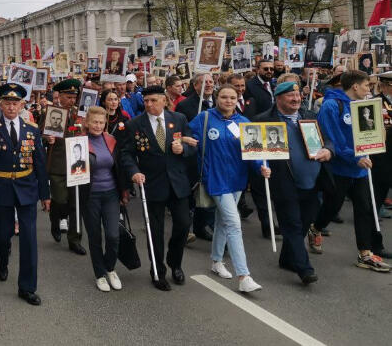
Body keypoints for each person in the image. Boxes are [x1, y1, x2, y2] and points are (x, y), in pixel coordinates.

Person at [189, 85, 269, 293]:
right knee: (234, 224)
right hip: (215, 180)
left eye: (233, 97)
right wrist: (186, 141)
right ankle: (244, 276)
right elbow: (186, 136)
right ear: (217, 98)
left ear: (237, 99)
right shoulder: (204, 118)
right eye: (224, 97)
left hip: (237, 180)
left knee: (222, 221)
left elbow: (254, 152)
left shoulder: (244, 122)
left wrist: (262, 166)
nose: (228, 100)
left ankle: (216, 261)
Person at [0, 83, 50, 306]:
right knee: (2, 235)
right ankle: (3, 260)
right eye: (7, 103)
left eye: (15, 103)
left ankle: (27, 287)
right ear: (1, 104)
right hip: (0, 189)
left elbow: (40, 163)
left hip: (26, 189)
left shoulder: (32, 129)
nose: (11, 107)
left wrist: (45, 195)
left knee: (29, 239)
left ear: (21, 105)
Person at [253, 81, 333, 283]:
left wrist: (328, 151)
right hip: (284, 183)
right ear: (278, 98)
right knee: (293, 225)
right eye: (291, 96)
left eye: (298, 96)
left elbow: (329, 140)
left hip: (312, 181)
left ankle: (287, 259)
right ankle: (305, 269)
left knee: (304, 223)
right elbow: (252, 151)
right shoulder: (263, 120)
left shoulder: (310, 117)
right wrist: (259, 166)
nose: (297, 99)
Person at [312, 70, 391, 272]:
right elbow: (332, 140)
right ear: (355, 86)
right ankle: (316, 228)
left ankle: (365, 253)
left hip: (361, 169)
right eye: (367, 85)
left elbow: (369, 134)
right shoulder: (331, 106)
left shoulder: (365, 105)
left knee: (364, 207)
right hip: (339, 168)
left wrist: (372, 148)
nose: (369, 90)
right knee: (332, 206)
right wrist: (355, 158)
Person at [119, 85, 194, 291]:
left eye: (153, 100)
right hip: (151, 183)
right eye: (146, 101)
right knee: (155, 230)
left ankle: (175, 261)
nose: (149, 104)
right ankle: (157, 270)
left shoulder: (178, 119)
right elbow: (126, 153)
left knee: (183, 223)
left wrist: (183, 149)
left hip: (177, 182)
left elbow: (190, 144)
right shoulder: (135, 124)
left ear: (164, 100)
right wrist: (133, 171)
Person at [81, 107, 128, 291]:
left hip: (110, 194)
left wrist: (124, 192)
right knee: (94, 237)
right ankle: (99, 274)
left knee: (113, 235)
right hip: (90, 195)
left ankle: (110, 268)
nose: (98, 125)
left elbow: (119, 168)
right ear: (87, 122)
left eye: (101, 122)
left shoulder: (111, 141)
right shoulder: (79, 142)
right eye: (94, 122)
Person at [42, 79, 86, 253]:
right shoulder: (52, 112)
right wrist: (47, 138)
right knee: (60, 200)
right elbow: (41, 132)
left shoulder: (79, 114)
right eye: (68, 97)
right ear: (59, 96)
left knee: (75, 203)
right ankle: (55, 218)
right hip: (58, 164)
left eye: (74, 97)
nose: (72, 100)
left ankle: (75, 240)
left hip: (77, 163)